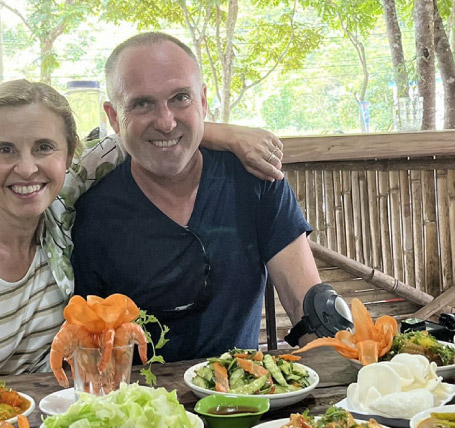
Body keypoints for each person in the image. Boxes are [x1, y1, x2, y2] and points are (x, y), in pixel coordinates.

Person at [0, 79, 285, 389]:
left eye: (44, 147)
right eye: (5, 150)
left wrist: (224, 133)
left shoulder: (60, 209)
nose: (26, 168)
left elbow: (139, 136)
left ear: (67, 157)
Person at [71, 33, 350, 363]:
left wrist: (351, 382)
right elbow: (91, 350)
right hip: (145, 406)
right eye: (141, 104)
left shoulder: (255, 181)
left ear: (203, 101)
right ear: (114, 117)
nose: (165, 121)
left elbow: (312, 309)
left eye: (180, 98)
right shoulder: (93, 215)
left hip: (246, 397)